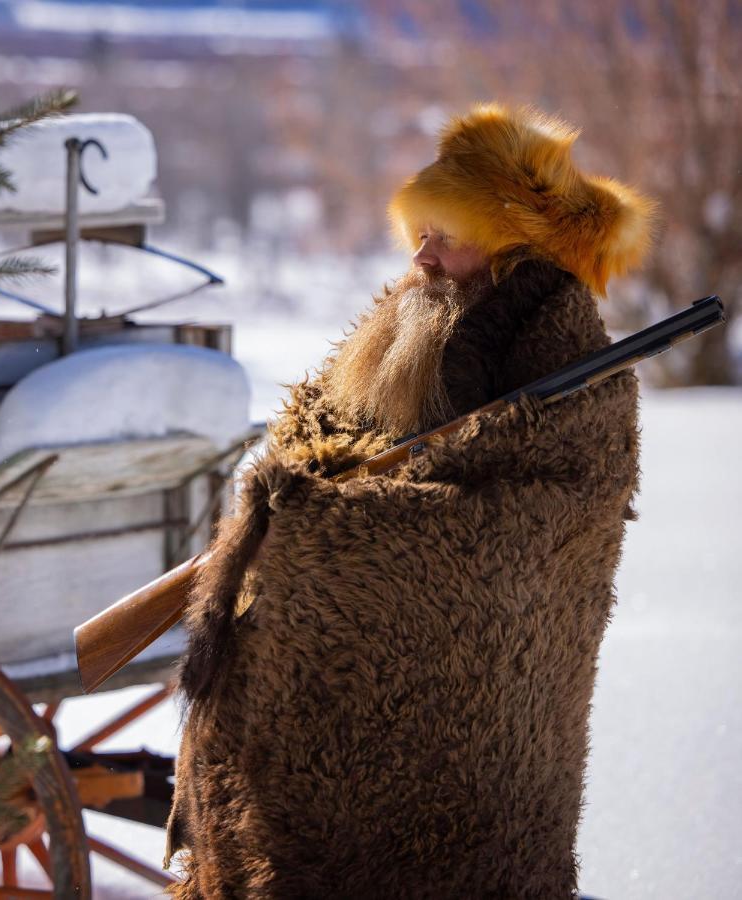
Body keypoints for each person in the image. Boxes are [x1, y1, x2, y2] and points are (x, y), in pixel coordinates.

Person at [165, 102, 655, 899]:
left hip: (474, 743)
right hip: (304, 707)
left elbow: (533, 526)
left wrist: (325, 528)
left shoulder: (575, 369)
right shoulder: (403, 326)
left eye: (446, 237)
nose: (421, 256)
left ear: (510, 248)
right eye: (419, 232)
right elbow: (313, 435)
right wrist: (296, 496)